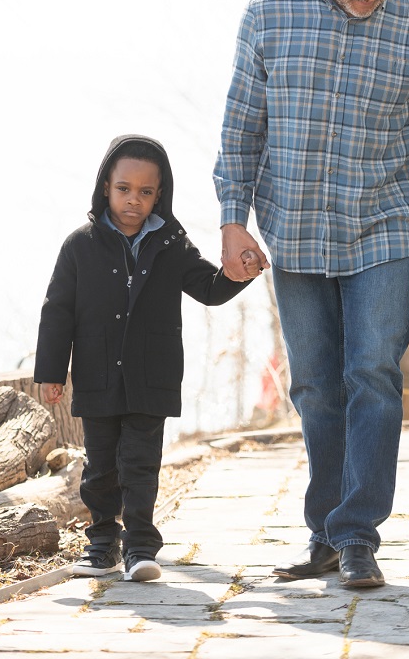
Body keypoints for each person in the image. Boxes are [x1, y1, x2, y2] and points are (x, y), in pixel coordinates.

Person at [213, 0, 409, 588]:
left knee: (373, 373)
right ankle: (325, 535)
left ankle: (358, 534)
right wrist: (231, 219)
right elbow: (242, 126)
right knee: (314, 384)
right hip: (296, 225)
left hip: (383, 226)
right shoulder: (270, 15)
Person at [34, 134, 252, 582]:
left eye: (146, 192)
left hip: (152, 376)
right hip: (96, 374)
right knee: (100, 467)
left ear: (160, 194)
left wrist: (239, 274)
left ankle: (139, 549)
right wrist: (51, 372)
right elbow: (57, 310)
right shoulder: (80, 245)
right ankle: (101, 546)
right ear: (106, 187)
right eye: (124, 189)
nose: (134, 200)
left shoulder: (170, 242)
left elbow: (209, 289)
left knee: (140, 464)